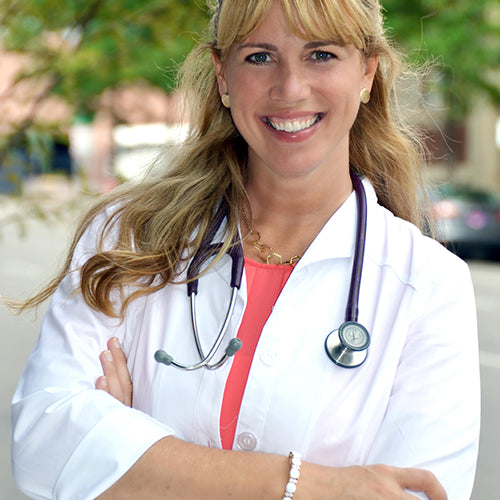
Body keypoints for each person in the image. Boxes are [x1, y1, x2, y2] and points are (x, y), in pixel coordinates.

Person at [11, 0, 480, 499]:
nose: (290, 88)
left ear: (366, 73)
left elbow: (415, 494)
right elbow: (44, 439)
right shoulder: (127, 238)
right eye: (259, 56)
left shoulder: (429, 286)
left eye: (320, 54)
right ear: (223, 76)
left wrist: (131, 459)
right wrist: (311, 485)